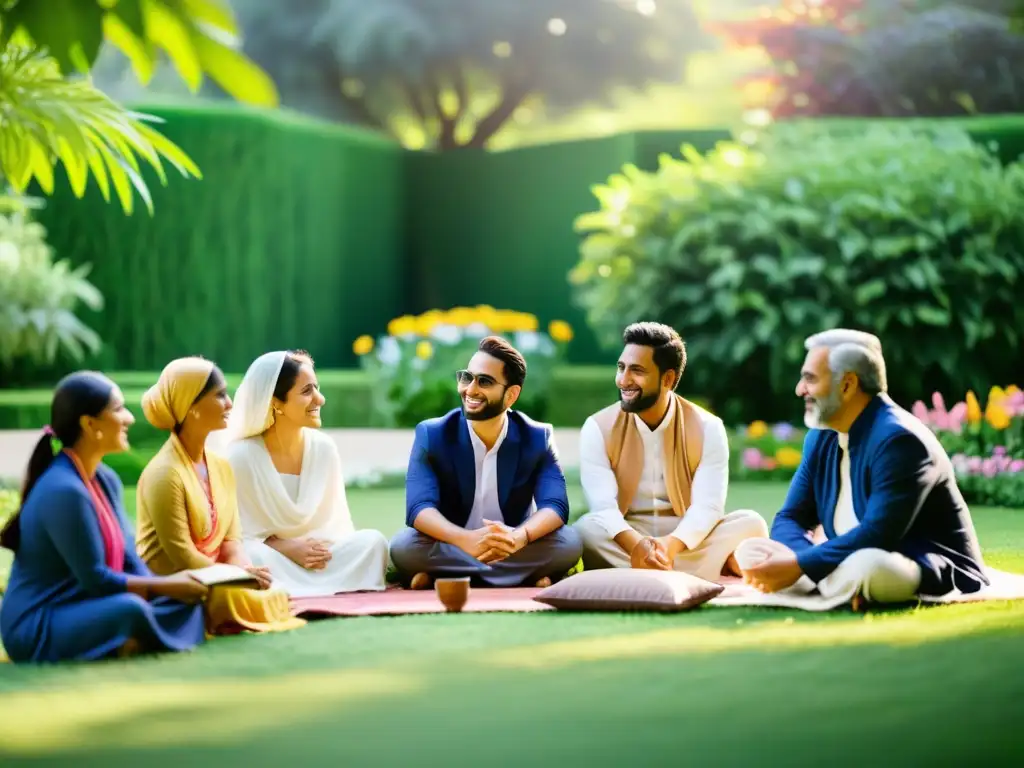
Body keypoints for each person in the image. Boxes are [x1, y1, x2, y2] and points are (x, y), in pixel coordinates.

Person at [737, 329, 989, 606]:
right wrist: (797, 560)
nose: (800, 389)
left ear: (847, 385)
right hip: (844, 555)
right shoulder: (821, 436)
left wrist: (800, 565)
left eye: (810, 379)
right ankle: (836, 584)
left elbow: (878, 534)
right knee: (752, 551)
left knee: (868, 565)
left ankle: (825, 582)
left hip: (911, 562)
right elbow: (789, 517)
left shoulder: (899, 440)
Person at [0, 372, 208, 663]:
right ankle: (127, 637)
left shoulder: (105, 479)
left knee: (187, 602)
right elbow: (96, 579)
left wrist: (168, 591)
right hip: (38, 623)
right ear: (89, 424)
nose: (129, 418)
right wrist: (170, 585)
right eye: (118, 409)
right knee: (131, 610)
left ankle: (126, 640)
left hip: (89, 605)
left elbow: (130, 559)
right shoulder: (64, 490)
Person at [573, 322, 767, 582]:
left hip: (686, 538)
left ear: (668, 379)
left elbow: (708, 506)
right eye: (621, 368)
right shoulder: (597, 427)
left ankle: (638, 574)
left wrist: (669, 545)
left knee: (751, 524)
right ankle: (695, 573)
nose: (624, 380)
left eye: (637, 370)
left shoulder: (708, 427)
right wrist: (638, 547)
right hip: (627, 535)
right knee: (585, 530)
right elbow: (603, 507)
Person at [390, 335, 583, 589]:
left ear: (511, 395)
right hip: (453, 541)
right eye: (467, 377)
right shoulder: (432, 434)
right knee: (404, 546)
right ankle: (522, 577)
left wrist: (519, 537)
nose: (470, 389)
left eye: (484, 382)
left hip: (513, 545)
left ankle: (445, 576)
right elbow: (418, 507)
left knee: (569, 542)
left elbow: (555, 505)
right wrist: (464, 540)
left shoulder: (538, 437)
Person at [135, 357, 305, 635]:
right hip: (178, 582)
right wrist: (238, 578)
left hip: (218, 575)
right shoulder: (164, 474)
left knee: (273, 591)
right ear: (191, 408)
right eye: (220, 395)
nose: (230, 404)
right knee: (235, 597)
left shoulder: (221, 466)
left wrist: (246, 572)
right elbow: (183, 557)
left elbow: (231, 542)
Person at [223, 351, 389, 598]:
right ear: (276, 402)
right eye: (306, 391)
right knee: (252, 554)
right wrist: (287, 547)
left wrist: (313, 551)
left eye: (317, 388)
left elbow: (337, 526)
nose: (320, 399)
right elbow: (238, 535)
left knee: (373, 542)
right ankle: (310, 587)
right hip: (273, 558)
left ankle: (301, 588)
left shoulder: (324, 448)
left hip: (322, 559)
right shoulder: (241, 456)